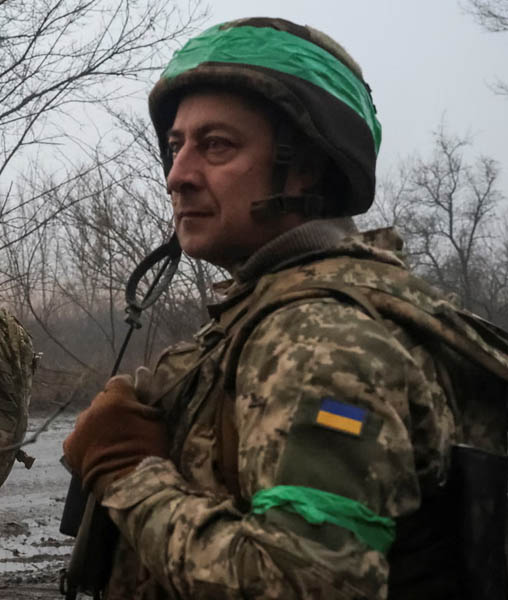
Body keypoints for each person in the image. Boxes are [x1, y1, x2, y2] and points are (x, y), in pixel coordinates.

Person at [63, 17, 508, 599]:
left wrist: (127, 474)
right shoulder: (272, 313)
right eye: (175, 148)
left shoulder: (323, 337)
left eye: (216, 145)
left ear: (308, 165)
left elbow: (301, 583)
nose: (178, 176)